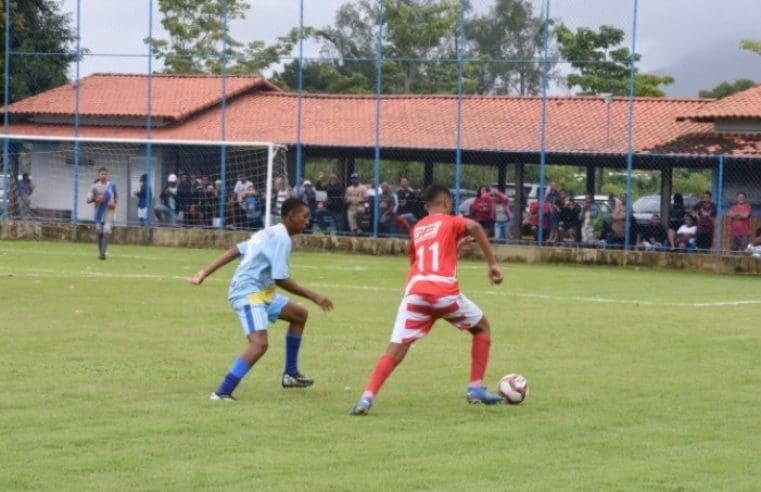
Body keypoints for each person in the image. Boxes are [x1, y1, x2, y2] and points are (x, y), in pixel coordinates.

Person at [349, 184, 504, 416]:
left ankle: (366, 397)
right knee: (482, 328)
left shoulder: (419, 227)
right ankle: (475, 388)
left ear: (425, 206)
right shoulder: (451, 220)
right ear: (447, 203)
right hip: (443, 292)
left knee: (395, 350)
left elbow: (419, 258)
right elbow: (474, 226)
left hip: (416, 293)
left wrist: (455, 248)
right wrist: (492, 263)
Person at [187, 198, 334, 401]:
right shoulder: (282, 239)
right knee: (259, 344)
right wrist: (314, 295)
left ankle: (290, 374)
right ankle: (222, 392)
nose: (308, 221)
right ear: (291, 215)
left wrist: (204, 272)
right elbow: (280, 279)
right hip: (248, 293)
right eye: (305, 216)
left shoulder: (270, 232)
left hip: (262, 292)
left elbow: (236, 250)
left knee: (299, 315)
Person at [86, 167, 118, 260]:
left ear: (108, 175)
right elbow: (88, 200)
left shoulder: (112, 186)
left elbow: (116, 198)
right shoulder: (94, 186)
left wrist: (114, 204)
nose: (103, 176)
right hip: (99, 212)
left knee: (106, 231)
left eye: (105, 174)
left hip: (109, 211)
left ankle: (103, 254)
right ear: (98, 175)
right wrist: (96, 199)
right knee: (99, 232)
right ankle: (101, 253)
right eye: (102, 174)